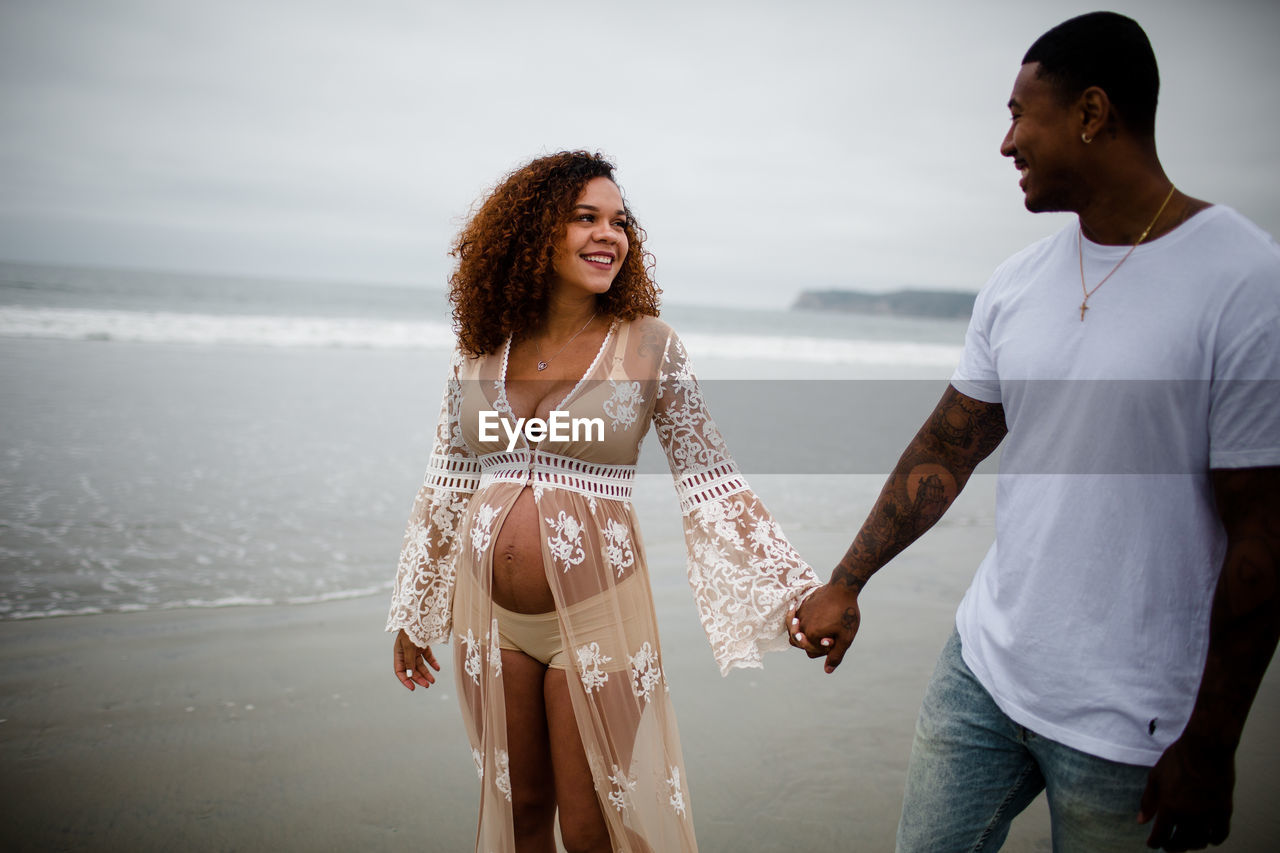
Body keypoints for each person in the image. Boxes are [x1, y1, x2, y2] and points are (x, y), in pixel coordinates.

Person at [792, 11, 1279, 853]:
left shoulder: (1243, 282)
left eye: (1022, 113)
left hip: (1133, 725)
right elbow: (947, 446)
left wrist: (1213, 740)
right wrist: (849, 579)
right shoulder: (1017, 284)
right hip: (984, 671)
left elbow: (1265, 534)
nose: (1007, 141)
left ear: (1092, 114)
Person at [387, 150, 819, 852]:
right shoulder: (481, 347)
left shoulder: (649, 347)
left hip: (594, 617)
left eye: (619, 221)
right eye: (585, 217)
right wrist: (415, 607)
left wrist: (798, 590)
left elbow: (712, 480)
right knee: (524, 811)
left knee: (596, 827)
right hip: (489, 621)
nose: (608, 235)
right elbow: (447, 482)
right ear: (532, 233)